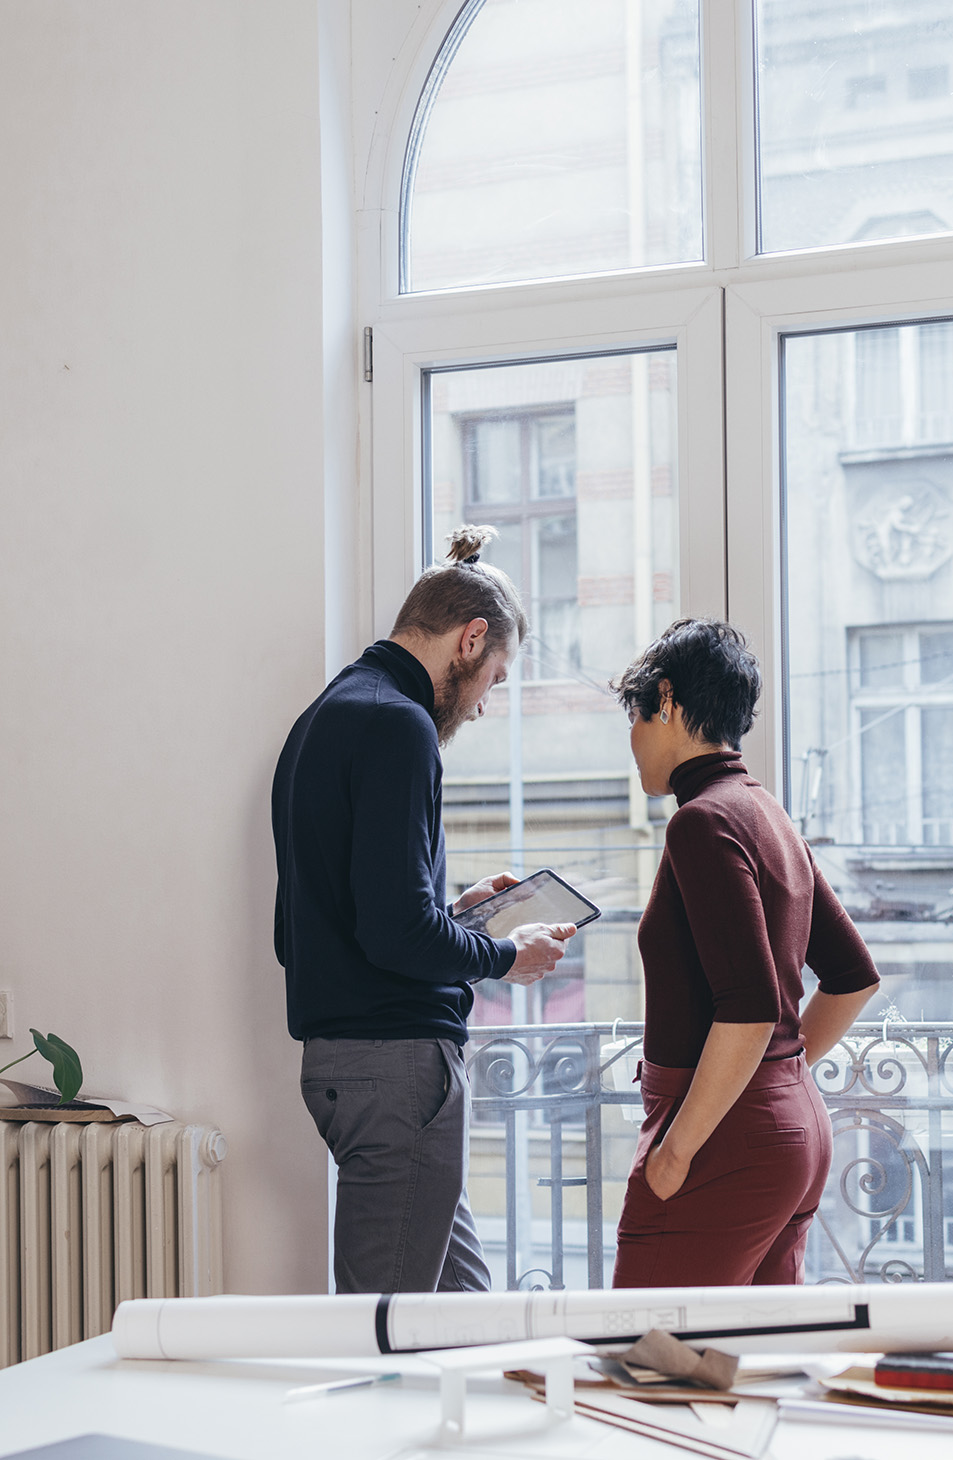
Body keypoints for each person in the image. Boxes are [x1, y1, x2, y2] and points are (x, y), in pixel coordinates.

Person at [272, 525, 576, 1295]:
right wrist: (509, 955)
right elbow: (396, 930)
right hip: (396, 1067)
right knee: (387, 1332)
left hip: (356, 1064)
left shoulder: (325, 716)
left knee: (465, 1312)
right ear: (471, 640)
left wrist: (461, 914)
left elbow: (328, 922)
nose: (481, 707)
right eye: (495, 679)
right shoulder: (399, 726)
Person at [611, 618, 880, 1288]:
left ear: (666, 702)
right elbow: (851, 978)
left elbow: (753, 1008)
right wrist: (776, 1084)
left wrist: (676, 1153)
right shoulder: (766, 813)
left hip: (722, 1143)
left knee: (646, 1359)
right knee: (747, 1369)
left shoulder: (701, 822)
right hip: (792, 1130)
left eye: (636, 718)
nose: (634, 742)